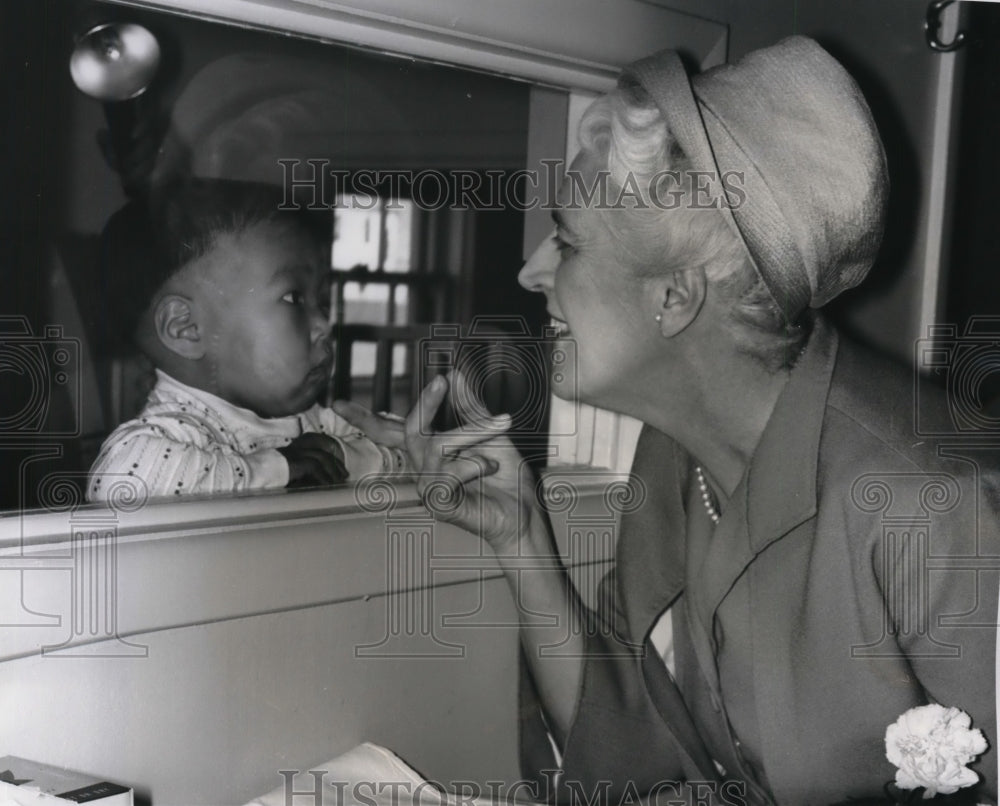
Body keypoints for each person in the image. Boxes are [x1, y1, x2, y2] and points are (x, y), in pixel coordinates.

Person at [334, 37, 999, 805]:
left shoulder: (939, 505)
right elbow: (633, 756)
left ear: (675, 297)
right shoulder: (673, 458)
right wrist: (521, 539)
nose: (530, 273)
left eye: (568, 242)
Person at [87, 179, 407, 502]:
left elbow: (421, 462)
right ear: (186, 328)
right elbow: (119, 480)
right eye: (294, 297)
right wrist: (280, 469)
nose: (325, 324)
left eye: (322, 300)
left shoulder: (314, 423)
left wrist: (353, 458)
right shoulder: (171, 436)